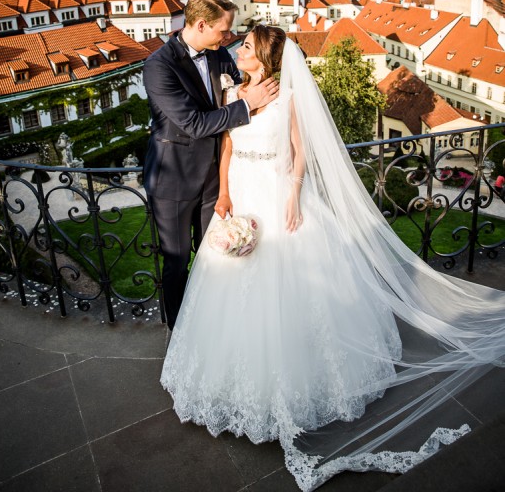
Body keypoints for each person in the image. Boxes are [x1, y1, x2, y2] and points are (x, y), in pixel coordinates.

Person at [161, 25, 505, 491]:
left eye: (244, 46)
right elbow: (225, 145)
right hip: (241, 190)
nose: (236, 50)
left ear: (262, 54)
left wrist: (293, 194)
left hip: (279, 192)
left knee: (289, 285)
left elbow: (302, 153)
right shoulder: (233, 91)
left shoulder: (287, 95)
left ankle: (305, 383)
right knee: (231, 279)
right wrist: (223, 193)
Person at [142, 0, 277, 330]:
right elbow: (195, 124)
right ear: (201, 25)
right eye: (224, 30)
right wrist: (249, 106)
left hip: (214, 179)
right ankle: (179, 333)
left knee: (213, 259)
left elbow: (239, 89)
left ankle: (213, 328)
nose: (229, 37)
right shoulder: (159, 66)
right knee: (176, 263)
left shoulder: (217, 55)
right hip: (173, 180)